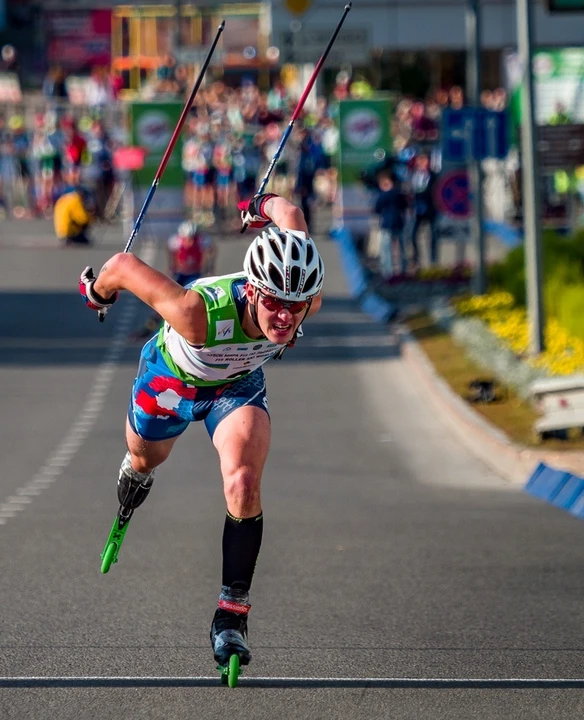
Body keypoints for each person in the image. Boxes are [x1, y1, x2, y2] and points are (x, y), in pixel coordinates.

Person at [78, 192, 324, 672]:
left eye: (295, 307)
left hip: (236, 385)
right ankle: (136, 473)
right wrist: (97, 291)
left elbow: (291, 215)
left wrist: (262, 202)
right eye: (274, 302)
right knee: (149, 459)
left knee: (244, 483)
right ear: (252, 291)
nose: (284, 317)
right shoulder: (197, 313)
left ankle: (230, 616)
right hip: (171, 380)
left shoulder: (303, 296)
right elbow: (124, 265)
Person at [372, 169, 409, 279]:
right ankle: (403, 269)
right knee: (401, 248)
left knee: (386, 249)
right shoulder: (399, 194)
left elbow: (377, 209)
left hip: (386, 224)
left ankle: (388, 272)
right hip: (399, 223)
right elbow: (405, 206)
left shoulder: (383, 195)